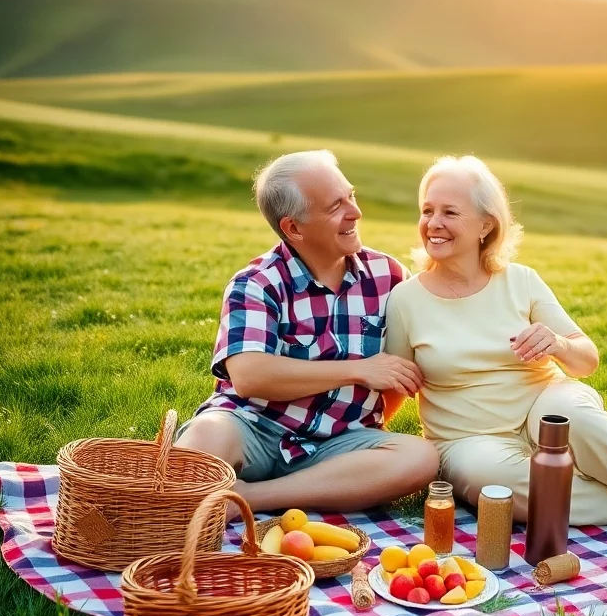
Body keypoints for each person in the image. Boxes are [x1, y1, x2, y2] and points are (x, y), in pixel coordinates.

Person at [384, 155, 607, 526]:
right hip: (467, 441)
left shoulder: (521, 280)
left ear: (485, 225)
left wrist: (559, 344)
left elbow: (586, 360)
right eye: (427, 210)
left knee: (575, 418)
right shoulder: (406, 299)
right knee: (491, 482)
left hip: (541, 403)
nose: (433, 223)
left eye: (450, 212)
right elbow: (396, 384)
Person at [176, 149, 439, 515]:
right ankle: (257, 491)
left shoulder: (389, 277)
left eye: (352, 195)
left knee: (420, 458)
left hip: (339, 442)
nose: (355, 212)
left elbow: (398, 371)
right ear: (293, 228)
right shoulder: (255, 284)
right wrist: (358, 369)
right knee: (204, 436)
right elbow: (250, 376)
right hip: (254, 429)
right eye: (335, 207)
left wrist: (371, 425)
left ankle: (247, 499)